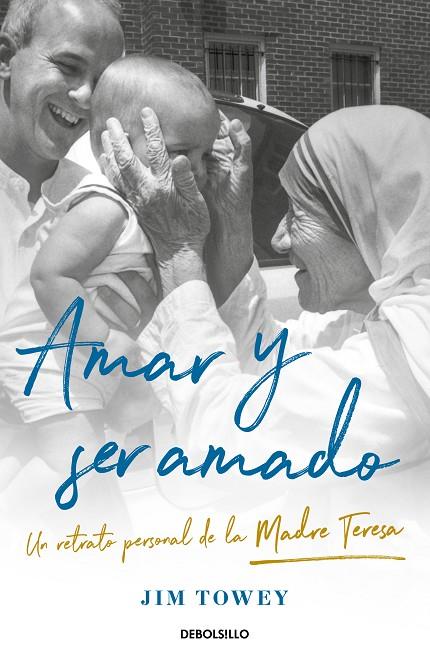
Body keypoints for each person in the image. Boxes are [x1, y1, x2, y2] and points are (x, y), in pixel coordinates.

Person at [100, 104, 430, 506]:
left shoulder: (417, 347)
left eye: (297, 213)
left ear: (366, 217)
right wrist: (232, 218)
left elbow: (225, 441)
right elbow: (265, 360)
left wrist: (179, 252)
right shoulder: (382, 323)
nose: (279, 239)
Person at [0, 55, 220, 451]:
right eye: (179, 151)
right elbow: (50, 276)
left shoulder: (150, 214)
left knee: (106, 440)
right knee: (78, 466)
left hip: (86, 364)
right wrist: (102, 342)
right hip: (46, 359)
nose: (197, 169)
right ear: (114, 147)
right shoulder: (105, 207)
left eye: (206, 155)